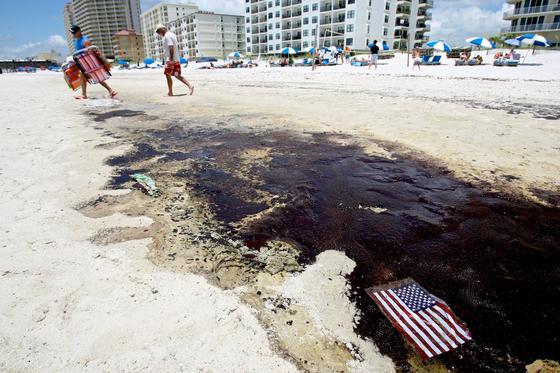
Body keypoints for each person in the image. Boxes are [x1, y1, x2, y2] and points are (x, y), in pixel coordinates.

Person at [70, 25, 117, 100]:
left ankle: (85, 95)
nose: (73, 34)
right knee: (86, 77)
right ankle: (110, 91)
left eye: (74, 32)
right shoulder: (76, 41)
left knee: (94, 77)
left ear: (79, 31)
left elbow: (90, 53)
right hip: (83, 64)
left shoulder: (85, 41)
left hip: (89, 64)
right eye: (72, 33)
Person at [156, 24, 194, 97]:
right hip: (176, 59)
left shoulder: (167, 36)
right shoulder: (173, 34)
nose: (159, 34)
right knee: (177, 75)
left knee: (168, 75)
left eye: (158, 32)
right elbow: (177, 46)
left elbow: (171, 47)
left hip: (171, 59)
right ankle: (190, 86)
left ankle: (170, 92)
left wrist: (171, 59)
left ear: (162, 29)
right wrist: (176, 58)